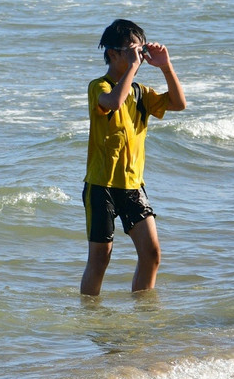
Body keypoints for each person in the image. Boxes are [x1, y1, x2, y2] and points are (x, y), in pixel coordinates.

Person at [80, 19, 186, 296]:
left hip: (133, 186)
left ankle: (142, 315)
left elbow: (178, 103)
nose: (137, 55)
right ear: (112, 54)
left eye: (140, 49)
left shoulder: (141, 93)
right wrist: (134, 66)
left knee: (152, 254)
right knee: (100, 259)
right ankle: (91, 320)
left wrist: (165, 65)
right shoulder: (99, 87)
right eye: (131, 50)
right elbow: (113, 102)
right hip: (101, 187)